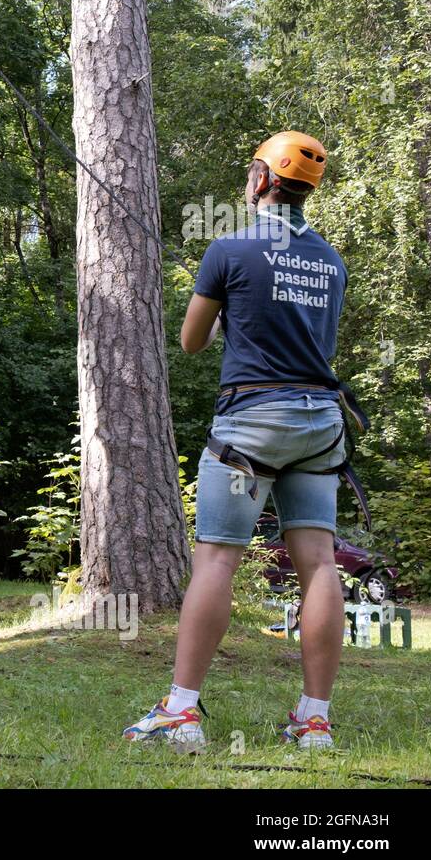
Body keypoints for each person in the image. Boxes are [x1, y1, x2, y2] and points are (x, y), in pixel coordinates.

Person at [124, 131, 359, 752]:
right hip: (318, 425)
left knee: (218, 560)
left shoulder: (229, 249)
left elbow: (191, 342)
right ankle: (313, 721)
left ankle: (181, 713)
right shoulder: (332, 261)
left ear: (260, 180)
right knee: (319, 564)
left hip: (251, 424)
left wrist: (226, 305)